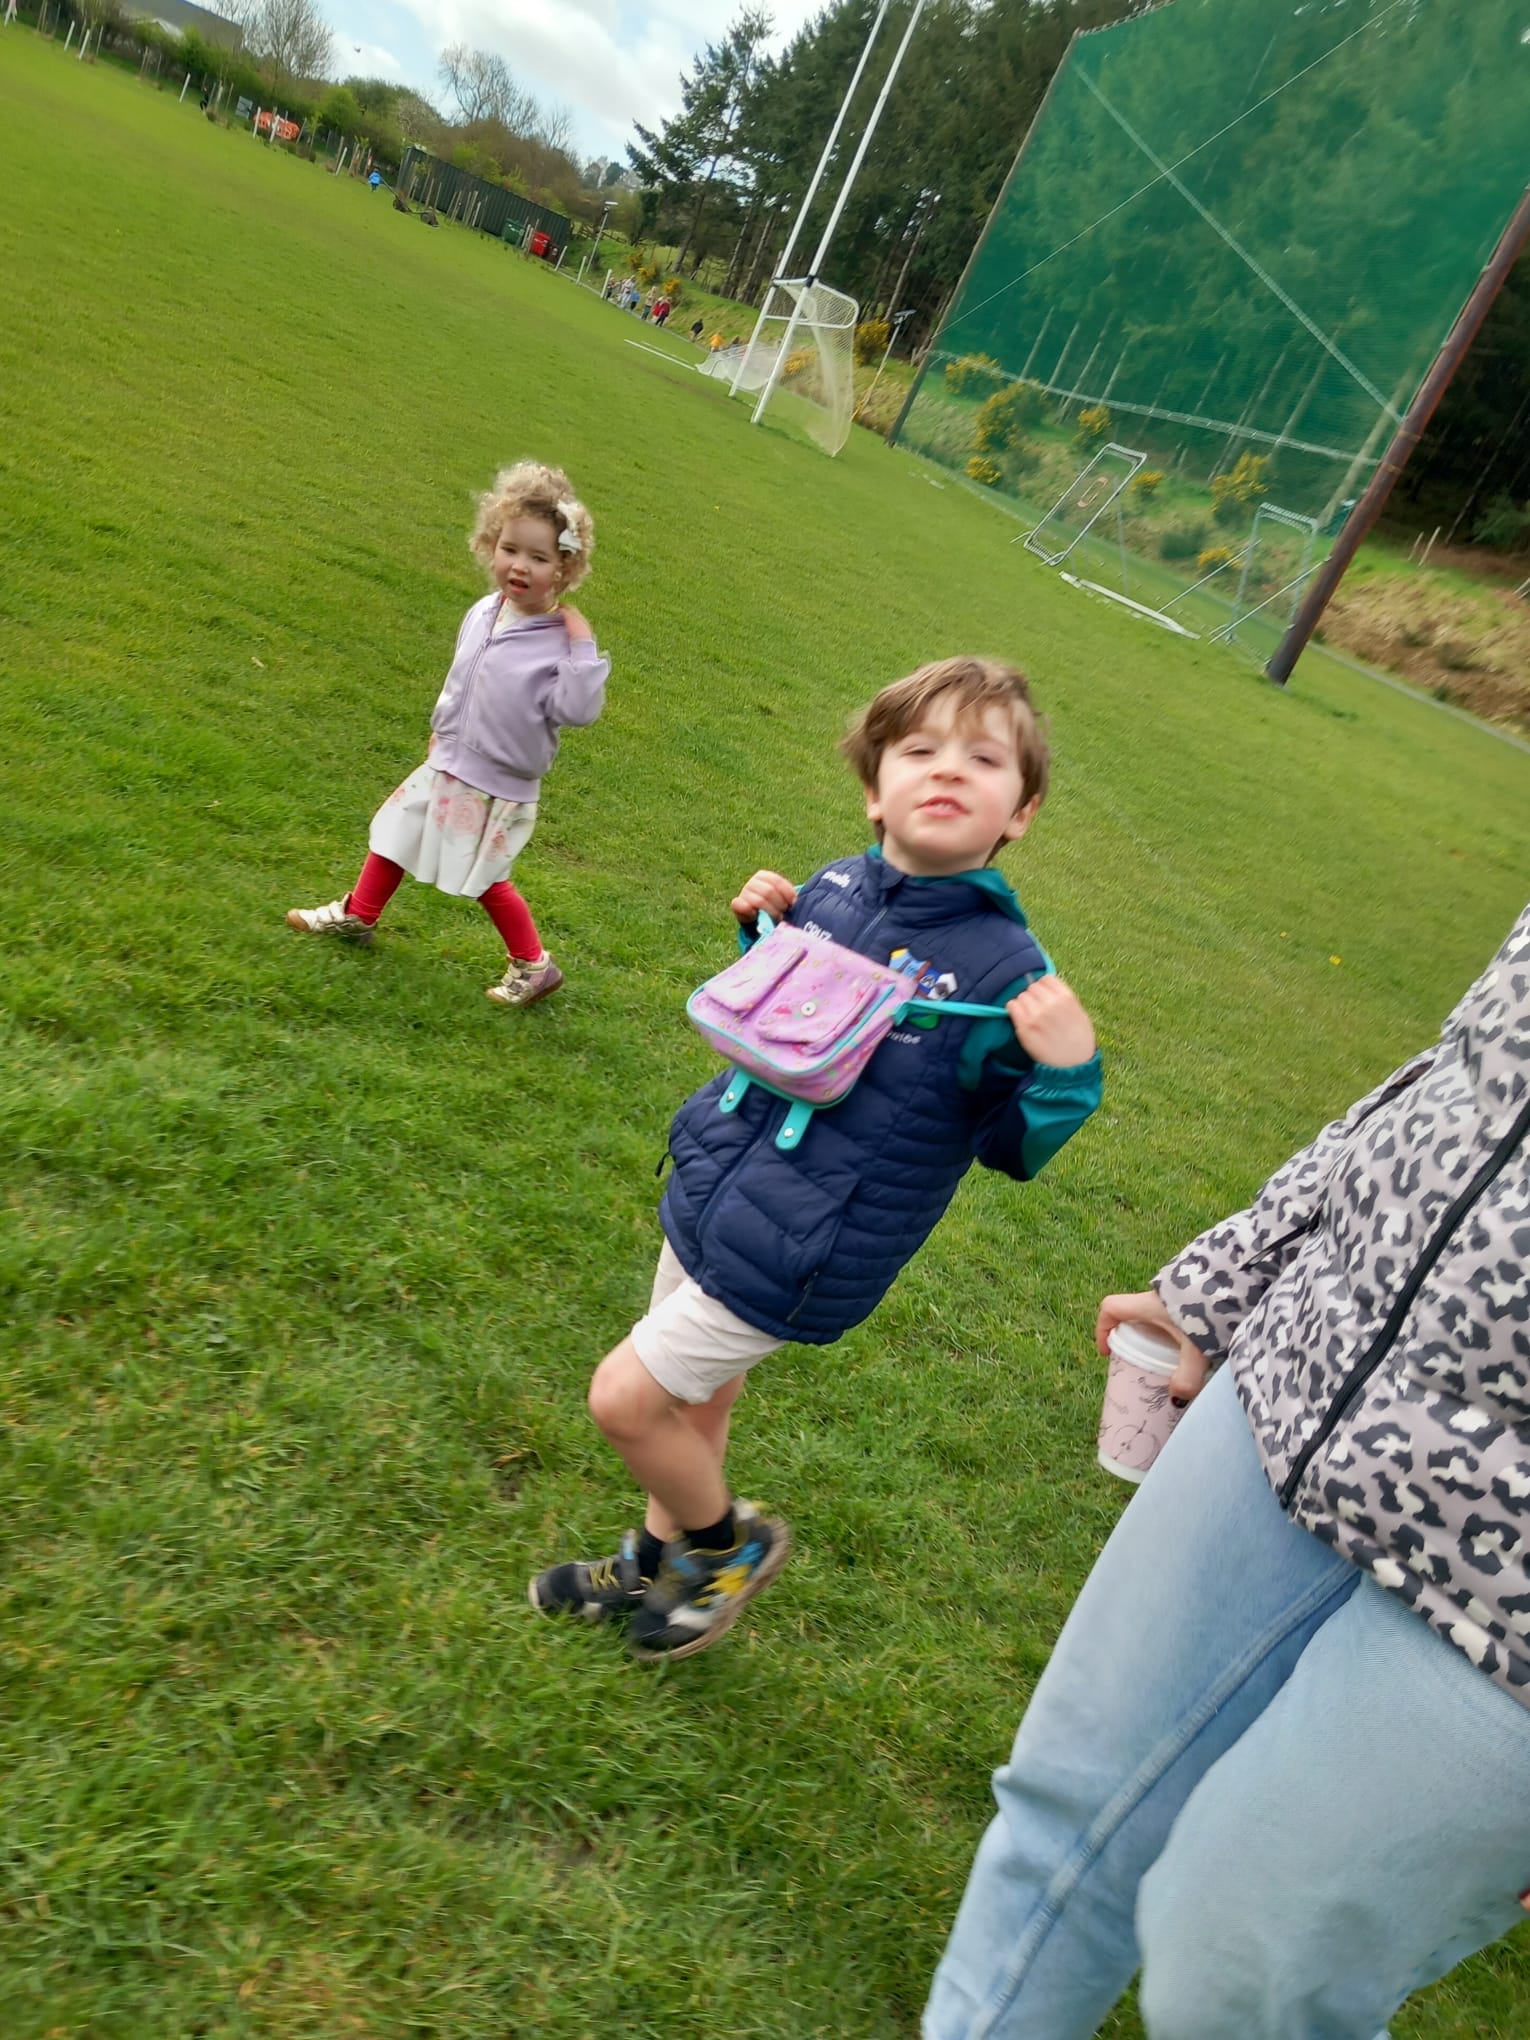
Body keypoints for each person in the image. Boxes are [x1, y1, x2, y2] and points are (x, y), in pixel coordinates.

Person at [924, 901, 1530, 2040]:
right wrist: (1236, 1270)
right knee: (1067, 1815)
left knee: (1239, 1984)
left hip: (1508, 1602)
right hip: (1302, 1369)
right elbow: (1465, 1071)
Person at [530, 658, 1103, 1660]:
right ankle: (651, 1565)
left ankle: (726, 1549)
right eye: (919, 750)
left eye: (983, 759)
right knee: (692, 1407)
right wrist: (762, 932)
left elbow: (1010, 1146)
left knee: (625, 1399)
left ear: (1022, 811)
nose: (948, 769)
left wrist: (1067, 1070)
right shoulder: (836, 885)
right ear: (875, 789)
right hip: (718, 1184)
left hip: (808, 1237)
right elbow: (784, 1025)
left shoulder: (1008, 973)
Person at [285, 462, 608, 1008]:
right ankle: (359, 916)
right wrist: (444, 733)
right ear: (490, 544)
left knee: (484, 877)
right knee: (395, 834)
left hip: (498, 784)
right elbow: (463, 679)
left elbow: (577, 711)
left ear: (564, 568)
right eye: (509, 548)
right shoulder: (485, 611)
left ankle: (534, 964)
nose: (520, 565)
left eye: (538, 557)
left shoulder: (558, 642)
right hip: (450, 761)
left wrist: (581, 646)